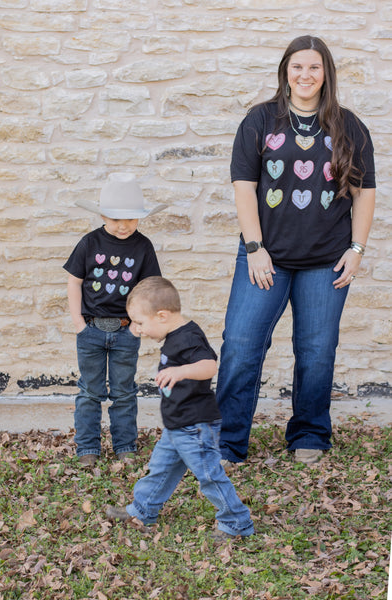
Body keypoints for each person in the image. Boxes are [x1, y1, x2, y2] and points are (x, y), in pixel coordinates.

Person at [216, 35, 376, 466]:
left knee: (317, 350)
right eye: (297, 67)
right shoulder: (261, 120)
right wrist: (254, 247)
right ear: (285, 70)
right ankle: (227, 442)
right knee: (241, 344)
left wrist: (357, 249)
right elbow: (244, 187)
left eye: (314, 68)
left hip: (326, 262)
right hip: (265, 258)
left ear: (326, 74)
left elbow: (365, 194)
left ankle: (309, 434)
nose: (305, 75)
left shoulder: (348, 125)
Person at [105, 276, 254, 542]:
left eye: (139, 323)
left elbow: (209, 366)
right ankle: (143, 509)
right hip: (177, 424)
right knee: (160, 468)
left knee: (209, 475)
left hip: (195, 425)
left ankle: (236, 522)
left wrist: (181, 370)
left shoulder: (189, 337)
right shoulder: (173, 335)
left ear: (162, 316)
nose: (136, 330)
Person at [63, 173, 166, 467]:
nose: (123, 226)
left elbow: (150, 286)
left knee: (124, 392)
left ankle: (124, 446)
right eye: (115, 218)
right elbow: (74, 281)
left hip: (124, 332)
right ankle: (88, 449)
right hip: (92, 330)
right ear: (102, 215)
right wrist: (78, 324)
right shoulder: (89, 243)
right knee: (89, 392)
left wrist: (137, 325)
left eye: (131, 219)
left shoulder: (143, 247)